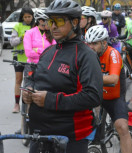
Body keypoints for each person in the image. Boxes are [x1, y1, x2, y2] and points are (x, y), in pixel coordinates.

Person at [22, 0, 103, 153]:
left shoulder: (86, 55)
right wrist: (28, 89)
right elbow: (34, 78)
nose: (53, 26)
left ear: (74, 22)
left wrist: (50, 100)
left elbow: (93, 96)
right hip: (39, 135)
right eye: (51, 21)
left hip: (69, 139)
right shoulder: (48, 51)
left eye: (59, 20)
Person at [85, 25, 132, 153]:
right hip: (95, 95)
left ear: (104, 43)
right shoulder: (88, 55)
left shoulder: (113, 54)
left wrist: (89, 78)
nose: (90, 47)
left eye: (94, 44)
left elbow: (113, 79)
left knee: (122, 127)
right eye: (88, 44)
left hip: (114, 97)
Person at [10, 7, 34, 113]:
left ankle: (30, 103)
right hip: (18, 57)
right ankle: (16, 104)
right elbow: (12, 42)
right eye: (25, 17)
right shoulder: (17, 26)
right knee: (18, 80)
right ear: (22, 17)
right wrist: (21, 38)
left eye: (29, 16)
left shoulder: (35, 27)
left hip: (32, 58)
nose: (28, 19)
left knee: (31, 80)